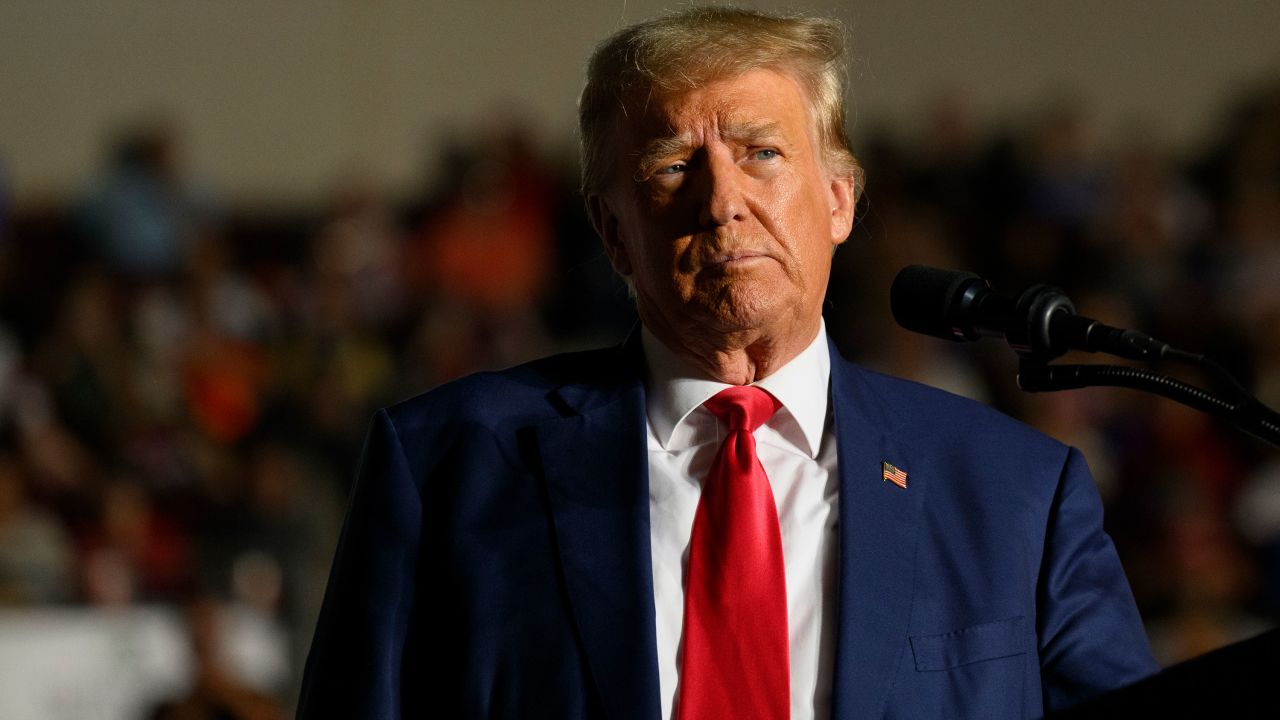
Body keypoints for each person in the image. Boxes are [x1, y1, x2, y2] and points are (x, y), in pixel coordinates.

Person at [298, 7, 1158, 719]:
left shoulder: (1016, 492)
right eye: (674, 166)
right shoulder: (445, 464)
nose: (722, 201)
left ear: (838, 199)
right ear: (612, 233)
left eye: (762, 152)